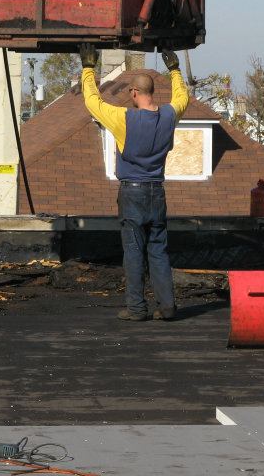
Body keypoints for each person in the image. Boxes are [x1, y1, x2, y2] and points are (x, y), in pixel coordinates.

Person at [79, 44, 189, 321]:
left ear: (135, 93)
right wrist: (175, 69)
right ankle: (167, 307)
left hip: (132, 194)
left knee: (134, 252)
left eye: (131, 92)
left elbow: (93, 102)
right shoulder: (168, 116)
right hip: (157, 192)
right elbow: (182, 97)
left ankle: (137, 308)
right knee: (159, 250)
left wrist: (88, 68)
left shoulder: (123, 119)